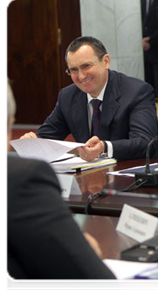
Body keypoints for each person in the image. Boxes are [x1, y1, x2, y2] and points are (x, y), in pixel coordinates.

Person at [5, 76, 119, 290]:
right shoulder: (22, 179)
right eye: (73, 69)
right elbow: (93, 281)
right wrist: (84, 250)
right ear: (10, 119)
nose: (81, 75)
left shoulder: (134, 89)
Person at [20, 36, 158, 161]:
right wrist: (34, 142)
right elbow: (48, 136)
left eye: (86, 66)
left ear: (106, 61)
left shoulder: (136, 91)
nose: (81, 76)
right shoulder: (67, 96)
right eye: (73, 70)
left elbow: (146, 142)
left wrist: (104, 147)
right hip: (89, 178)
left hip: (127, 174)